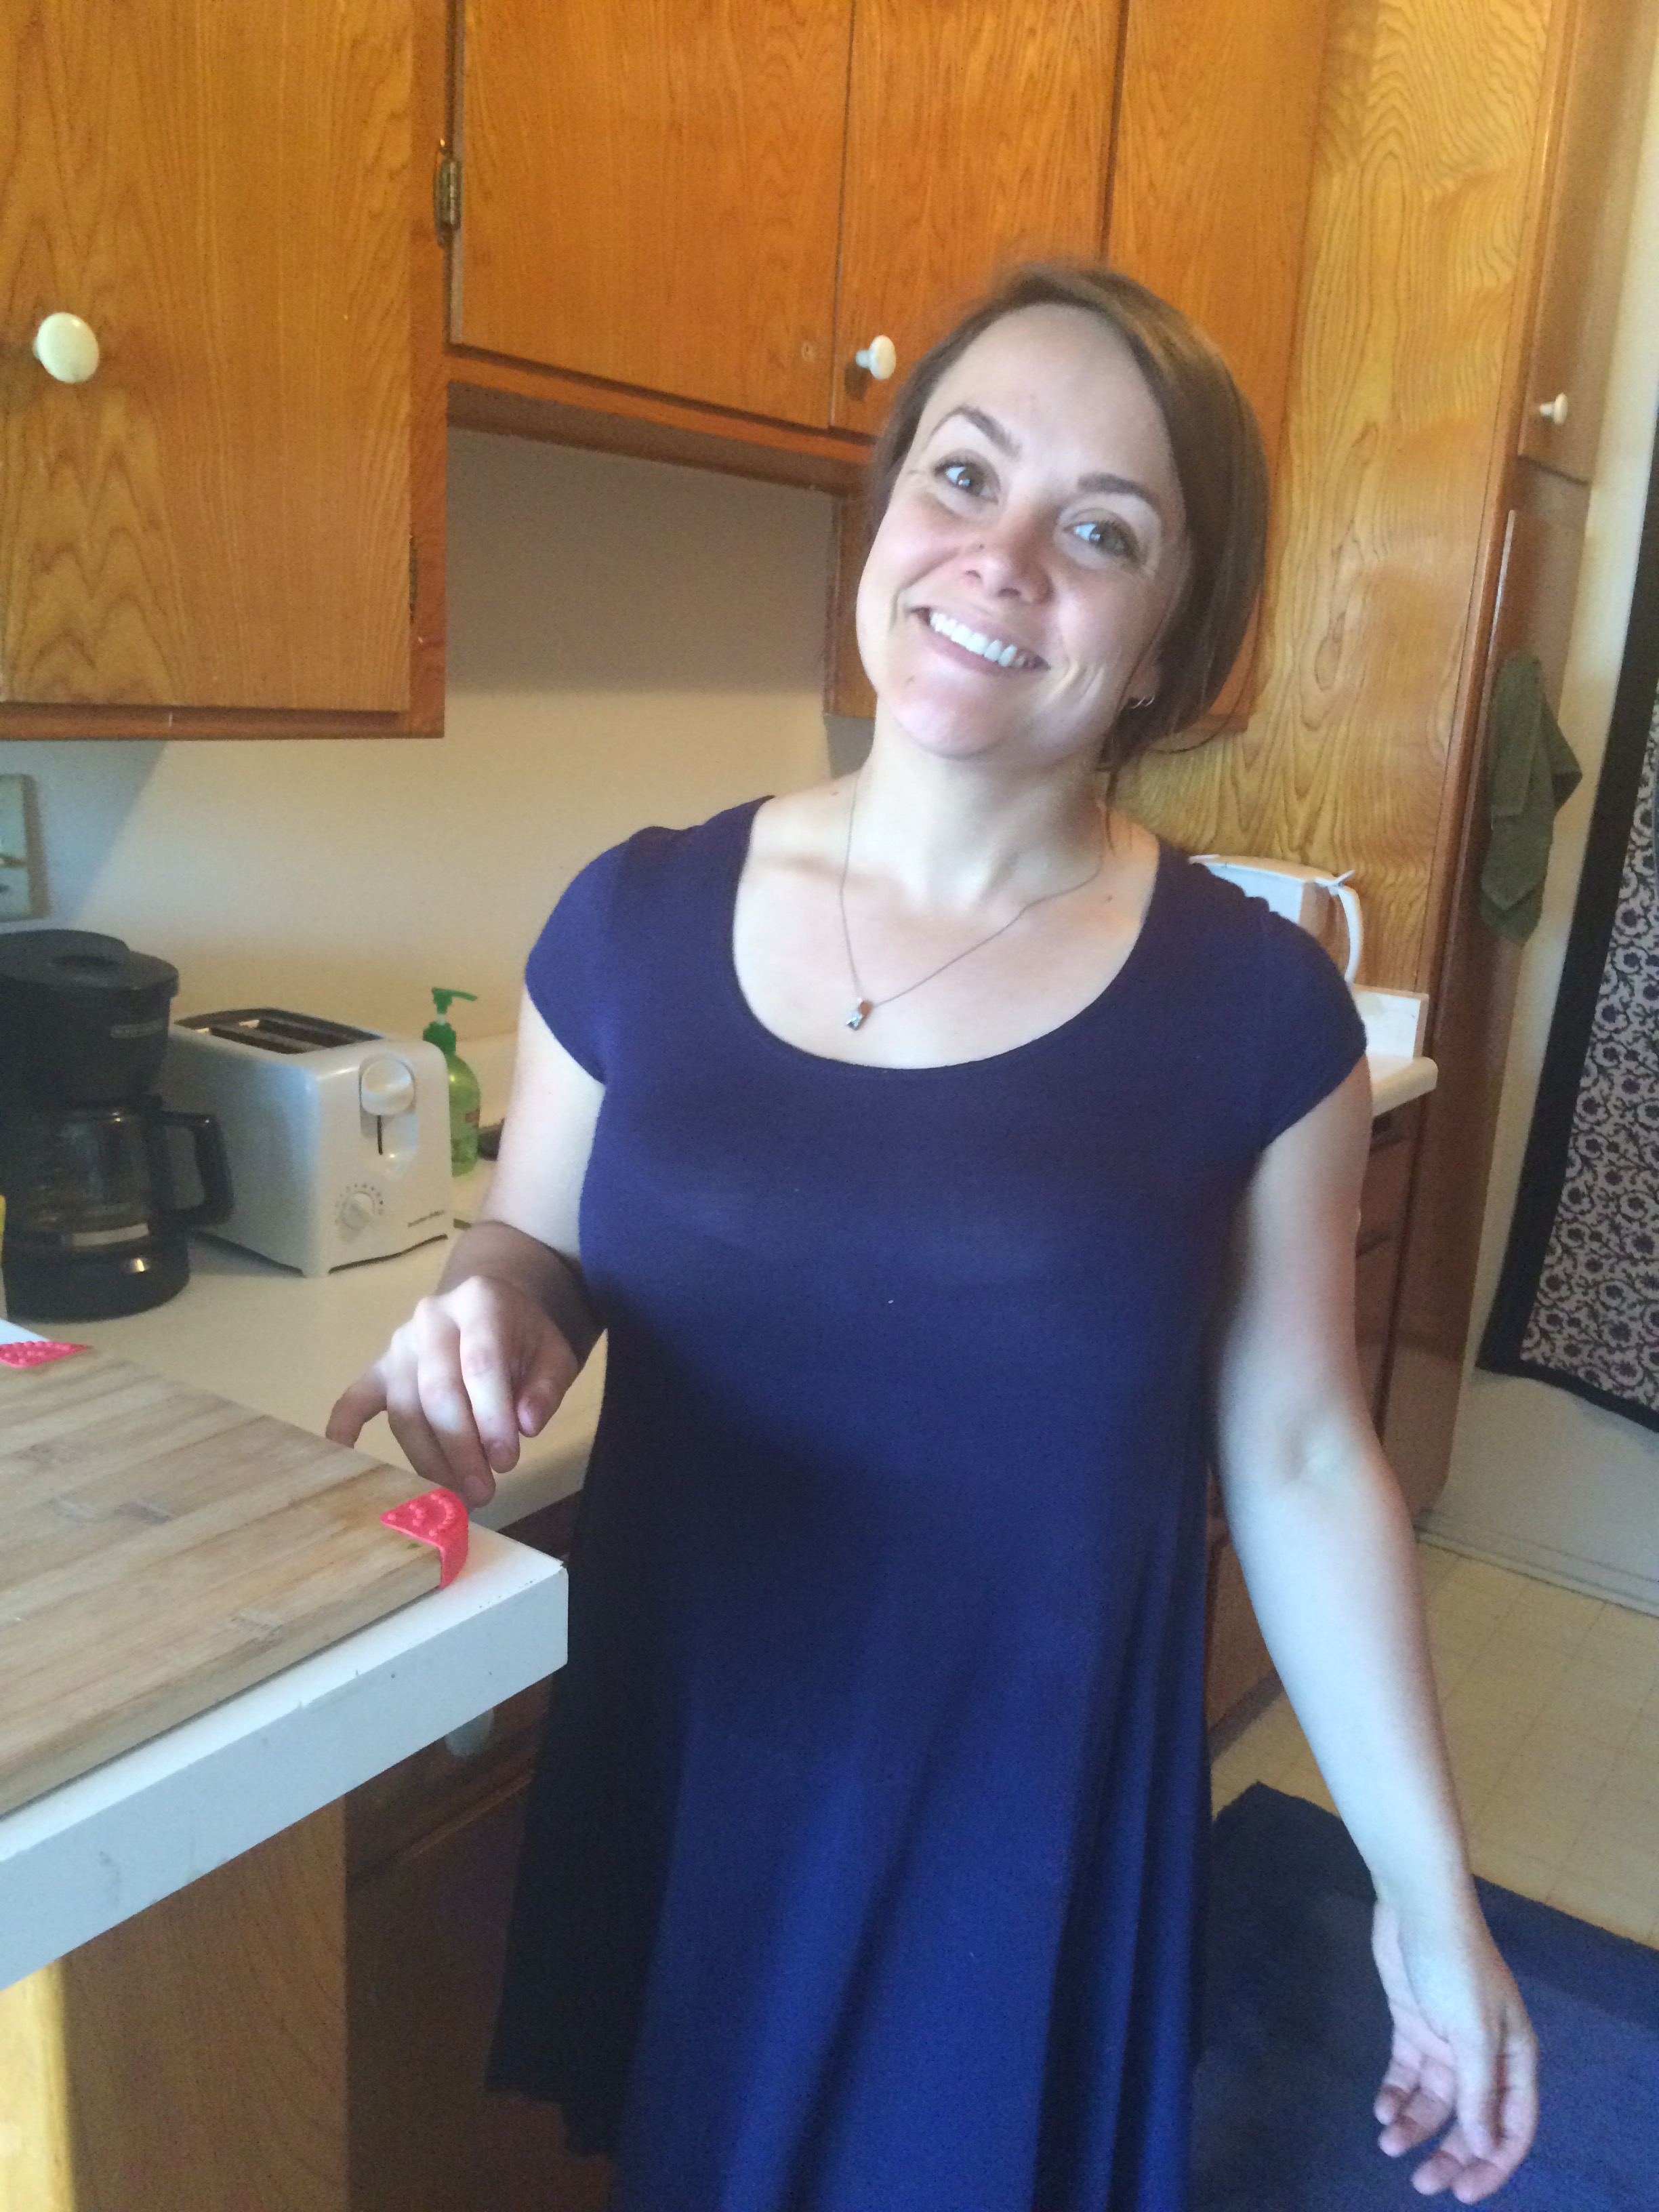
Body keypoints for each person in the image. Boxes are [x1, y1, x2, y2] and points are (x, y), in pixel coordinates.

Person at [329, 264, 1537, 2210]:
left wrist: (1424, 1891)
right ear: (887, 516)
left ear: (1167, 638)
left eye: (1103, 529)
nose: (1004, 558)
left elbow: (1308, 1456)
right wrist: (482, 1319)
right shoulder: (631, 918)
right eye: (963, 476)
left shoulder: (1256, 1014)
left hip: (1011, 1818)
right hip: (702, 1751)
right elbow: (529, 1245)